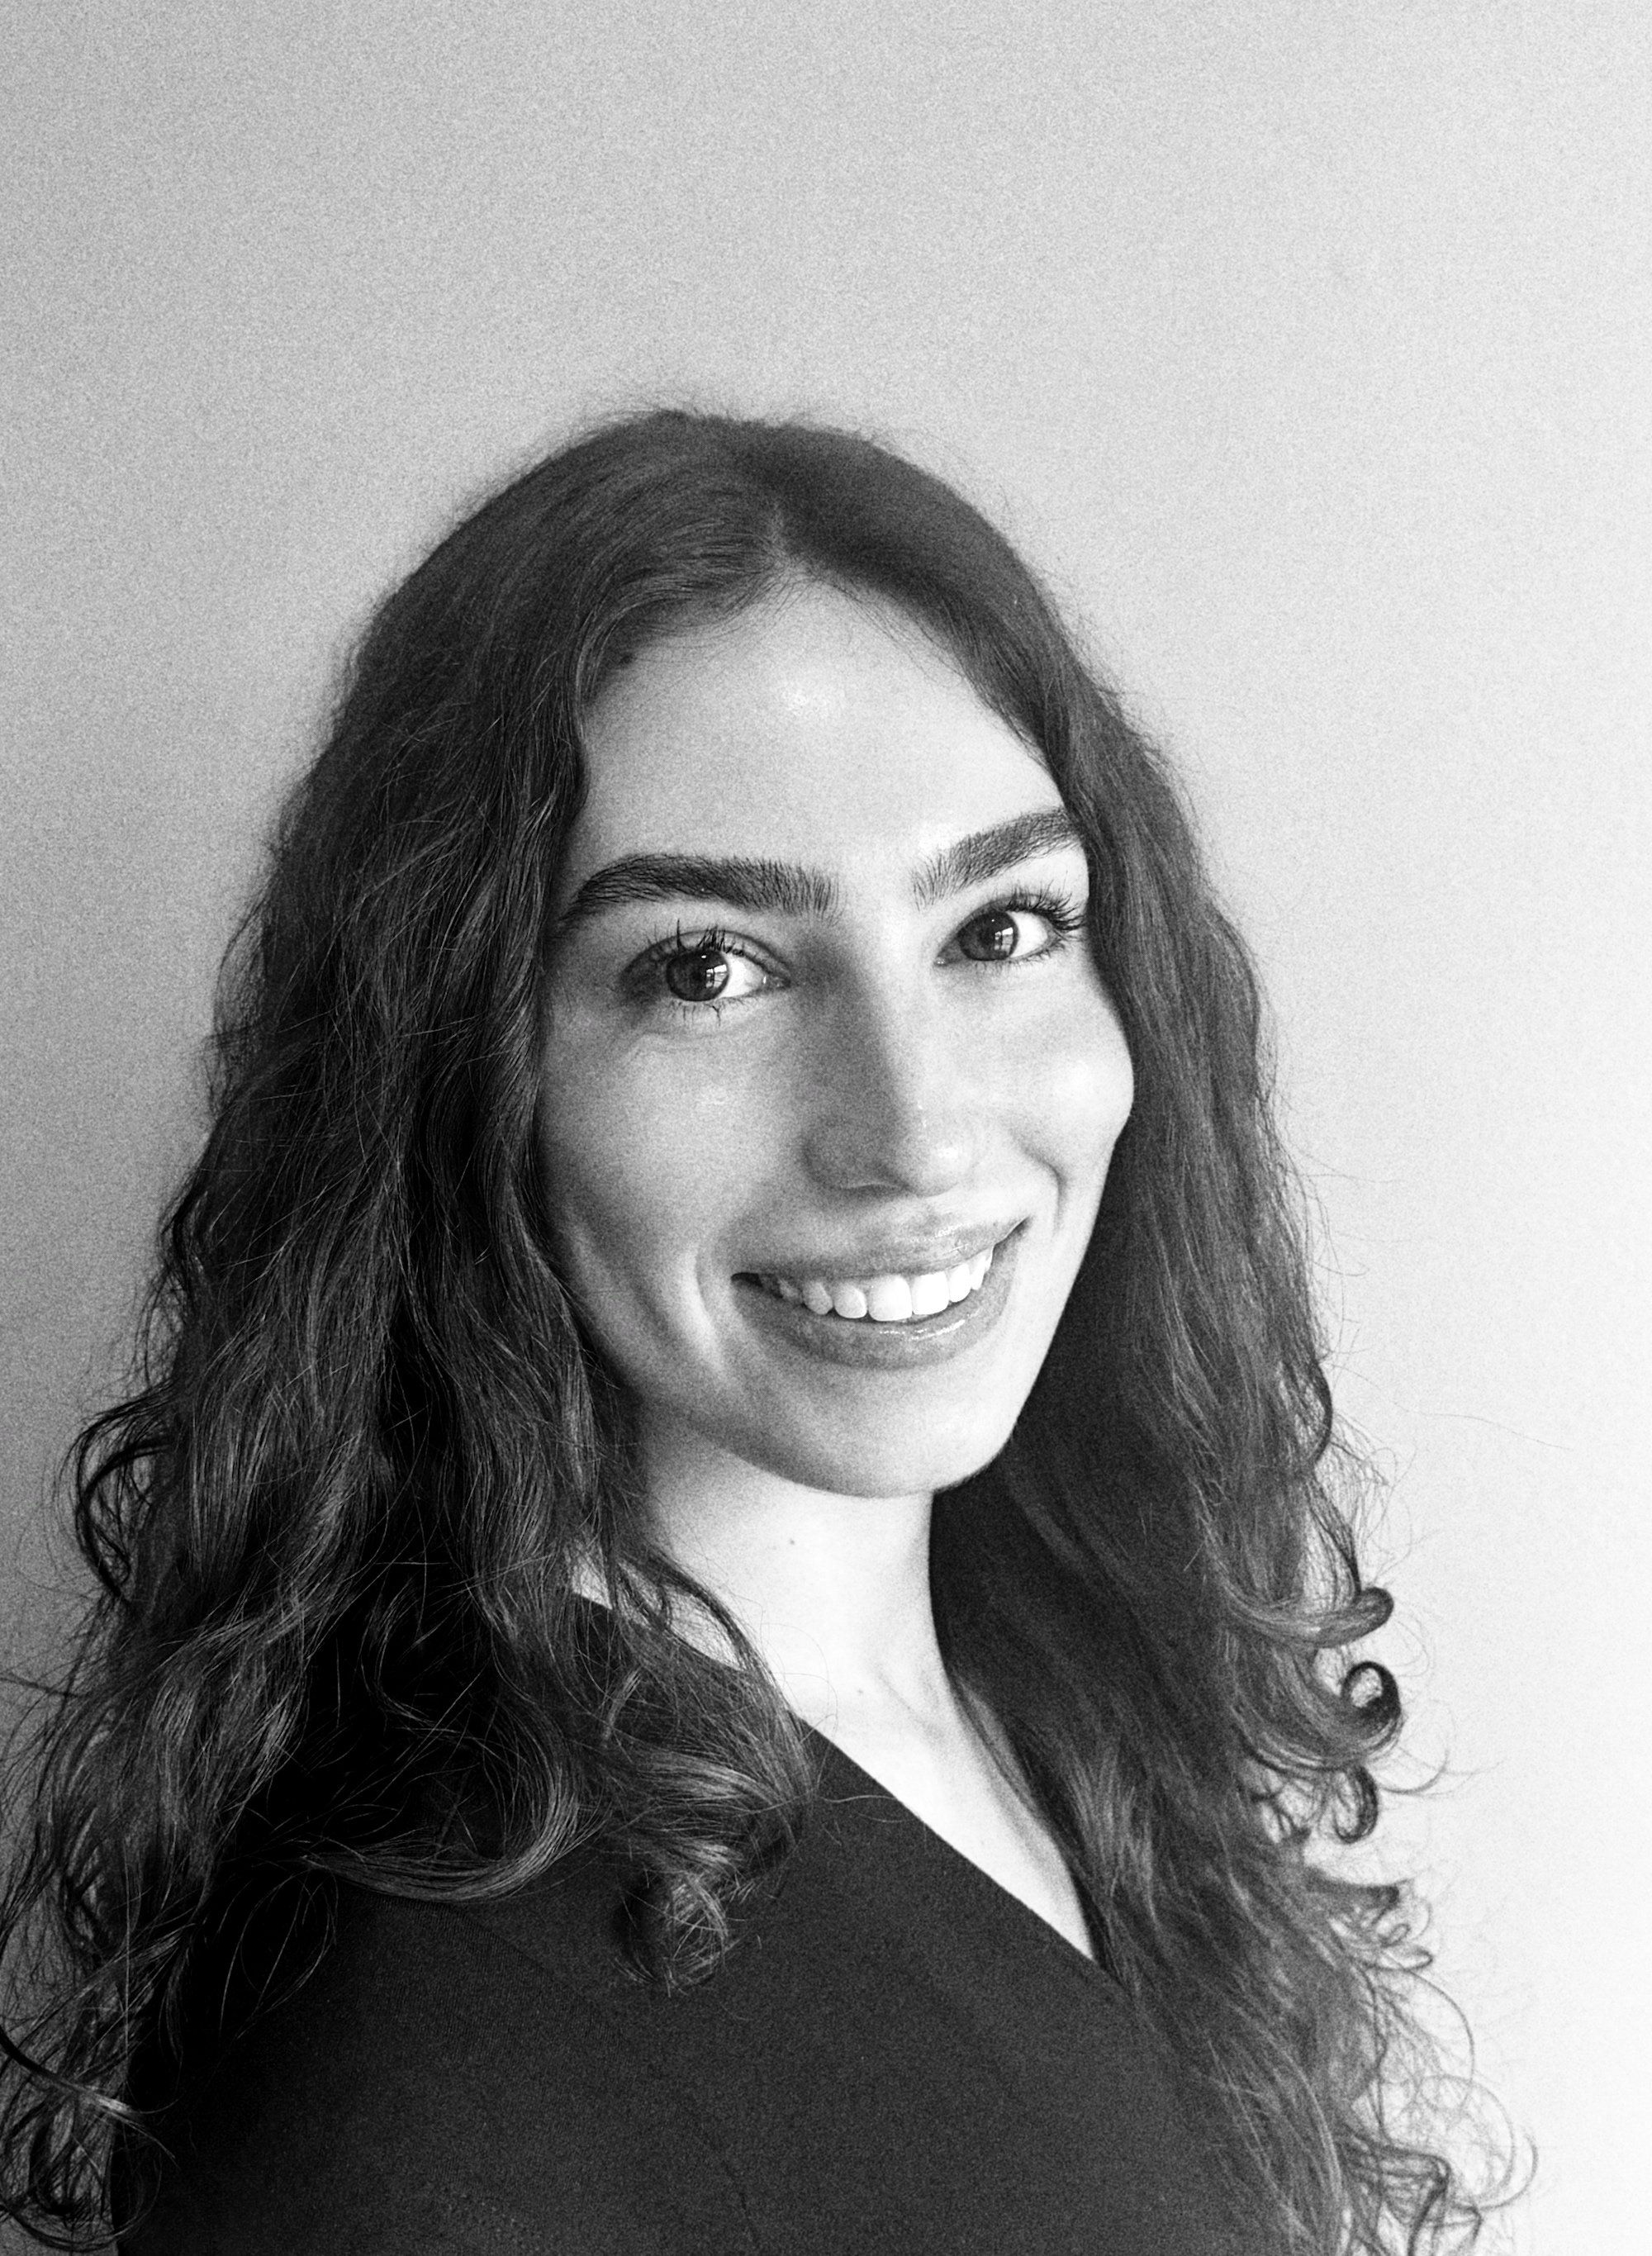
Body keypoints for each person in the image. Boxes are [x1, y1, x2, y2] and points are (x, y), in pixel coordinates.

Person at [0, 409, 1490, 2253]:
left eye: (1003, 924)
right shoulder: (443, 2097)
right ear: (460, 1082)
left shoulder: (1059, 1708)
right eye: (706, 967)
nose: (918, 1130)